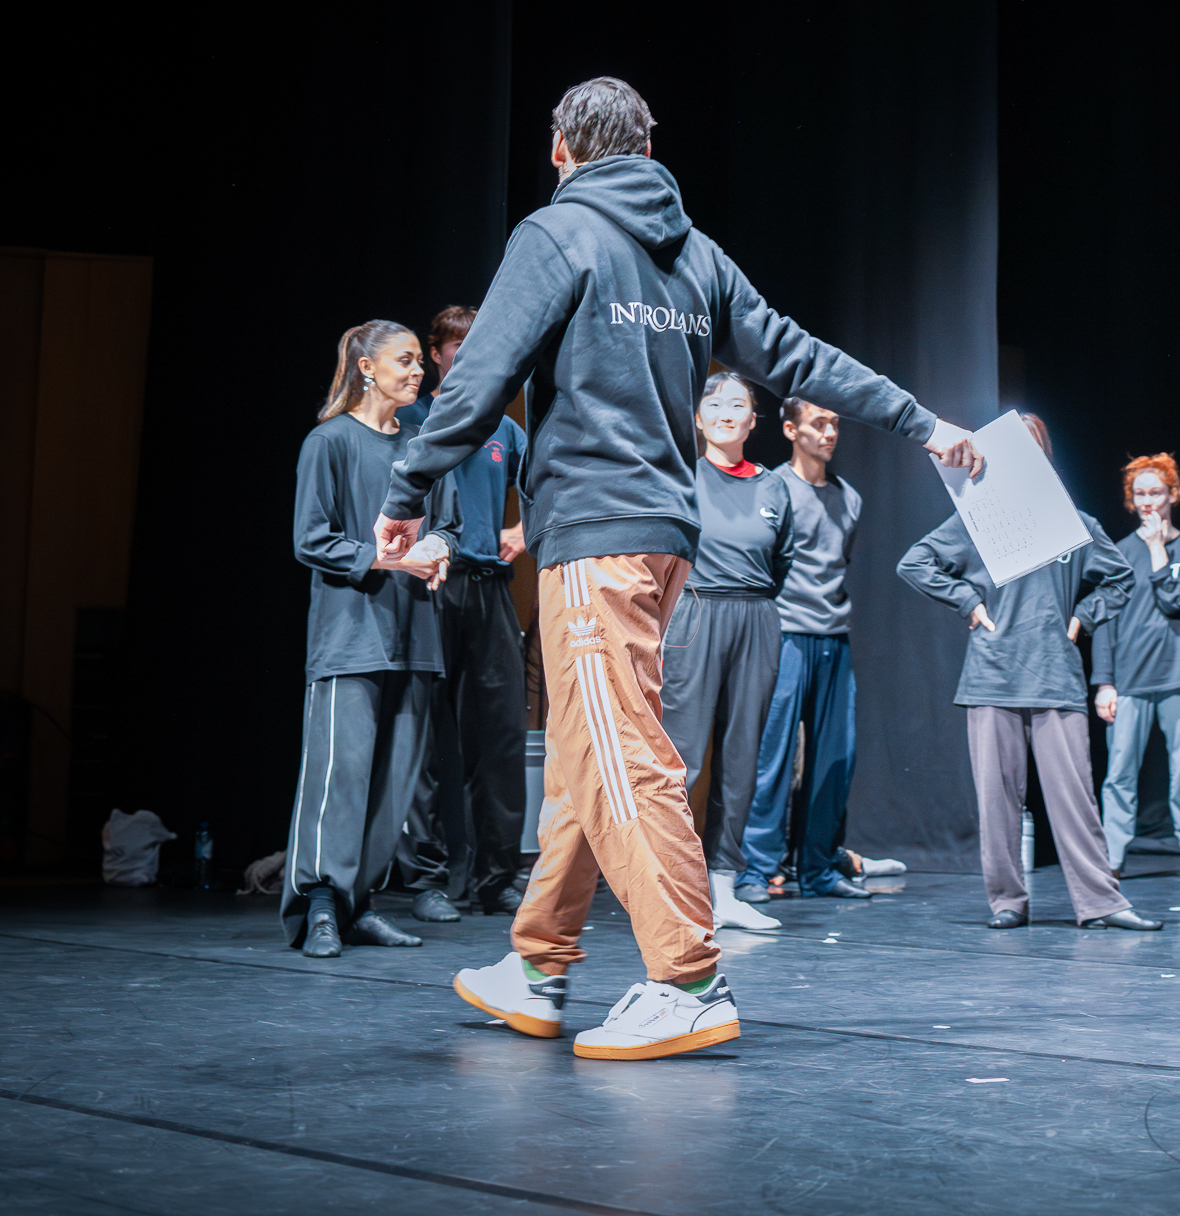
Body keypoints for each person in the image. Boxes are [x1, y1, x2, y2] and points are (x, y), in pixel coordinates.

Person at [375, 77, 979, 1060]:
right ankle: (537, 965)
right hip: (666, 541)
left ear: (561, 148)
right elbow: (797, 355)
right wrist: (921, 420)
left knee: (620, 752)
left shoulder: (557, 233)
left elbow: (480, 375)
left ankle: (688, 978)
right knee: (586, 754)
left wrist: (406, 491)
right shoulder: (696, 253)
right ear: (648, 151)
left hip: (595, 533)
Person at [898, 413, 1163, 933]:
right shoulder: (976, 521)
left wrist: (1082, 618)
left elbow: (1120, 578)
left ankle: (1101, 902)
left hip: (1054, 674)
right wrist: (967, 601)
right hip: (991, 675)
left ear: (1043, 457)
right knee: (997, 800)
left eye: (1031, 446)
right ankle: (1007, 901)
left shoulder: (1072, 523)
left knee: (1075, 798)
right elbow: (915, 562)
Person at [285, 320, 455, 957]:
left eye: (418, 361)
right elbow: (312, 539)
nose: (416, 371)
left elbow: (450, 523)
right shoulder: (329, 442)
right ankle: (321, 905)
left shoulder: (420, 445)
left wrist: (440, 547)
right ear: (366, 368)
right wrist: (390, 560)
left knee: (393, 785)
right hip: (351, 635)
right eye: (404, 360)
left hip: (415, 633)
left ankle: (360, 905)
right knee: (341, 777)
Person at [394, 306, 531, 923]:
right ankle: (425, 879)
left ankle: (496, 879)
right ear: (438, 354)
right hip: (428, 588)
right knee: (423, 734)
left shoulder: (504, 428)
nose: (469, 354)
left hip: (488, 587)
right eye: (457, 346)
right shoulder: (412, 421)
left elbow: (545, 488)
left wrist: (523, 530)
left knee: (501, 736)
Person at [740, 397, 905, 905]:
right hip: (785, 635)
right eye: (818, 423)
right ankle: (756, 870)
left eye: (834, 423)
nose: (829, 433)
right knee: (773, 756)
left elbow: (837, 564)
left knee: (836, 758)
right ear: (791, 430)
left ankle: (817, 868)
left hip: (833, 636)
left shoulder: (849, 498)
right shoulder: (770, 488)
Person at [657, 371, 794, 932]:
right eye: (714, 405)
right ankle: (668, 887)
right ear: (697, 418)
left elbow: (781, 562)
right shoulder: (682, 477)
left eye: (737, 405)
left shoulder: (774, 487)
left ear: (753, 421)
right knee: (683, 757)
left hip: (756, 617)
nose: (725, 413)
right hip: (695, 613)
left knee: (741, 759)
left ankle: (724, 889)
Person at [1091, 453, 1180, 882]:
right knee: (1120, 774)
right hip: (1129, 678)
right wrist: (1104, 683)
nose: (1147, 502)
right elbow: (1105, 620)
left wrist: (1156, 549)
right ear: (1131, 500)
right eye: (1140, 494)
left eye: (1156, 493)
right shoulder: (1117, 553)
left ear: (1174, 495)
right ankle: (1111, 860)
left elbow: (1174, 601)